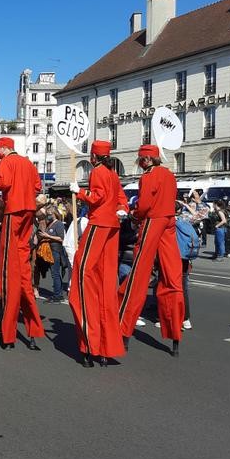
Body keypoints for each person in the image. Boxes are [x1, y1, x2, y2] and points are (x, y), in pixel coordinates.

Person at [117, 145, 185, 357]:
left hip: (153, 221)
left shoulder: (148, 176)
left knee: (138, 275)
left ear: (145, 160)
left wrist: (134, 215)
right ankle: (175, 335)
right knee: (172, 277)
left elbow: (144, 204)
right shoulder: (169, 174)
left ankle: (123, 330)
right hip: (169, 222)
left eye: (140, 160)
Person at [67, 140, 128, 367]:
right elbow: (121, 200)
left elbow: (96, 197)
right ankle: (103, 346)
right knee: (105, 282)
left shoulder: (98, 172)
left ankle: (89, 343)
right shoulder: (113, 174)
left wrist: (80, 192)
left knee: (82, 274)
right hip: (112, 227)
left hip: (99, 224)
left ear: (94, 156)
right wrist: (121, 210)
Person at [0, 137, 45, 350]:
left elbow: (3, 183)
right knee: (21, 258)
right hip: (29, 212)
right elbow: (37, 186)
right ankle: (32, 331)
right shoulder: (28, 162)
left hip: (14, 212)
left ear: (3, 147)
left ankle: (8, 335)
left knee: (9, 270)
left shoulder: (6, 162)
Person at [39, 206, 68, 304]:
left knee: (55, 273)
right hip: (49, 250)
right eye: (48, 213)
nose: (48, 215)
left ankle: (57, 295)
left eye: (50, 213)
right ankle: (57, 293)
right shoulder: (50, 223)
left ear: (55, 213)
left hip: (56, 250)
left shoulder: (58, 224)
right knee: (54, 273)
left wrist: (48, 236)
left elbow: (61, 238)